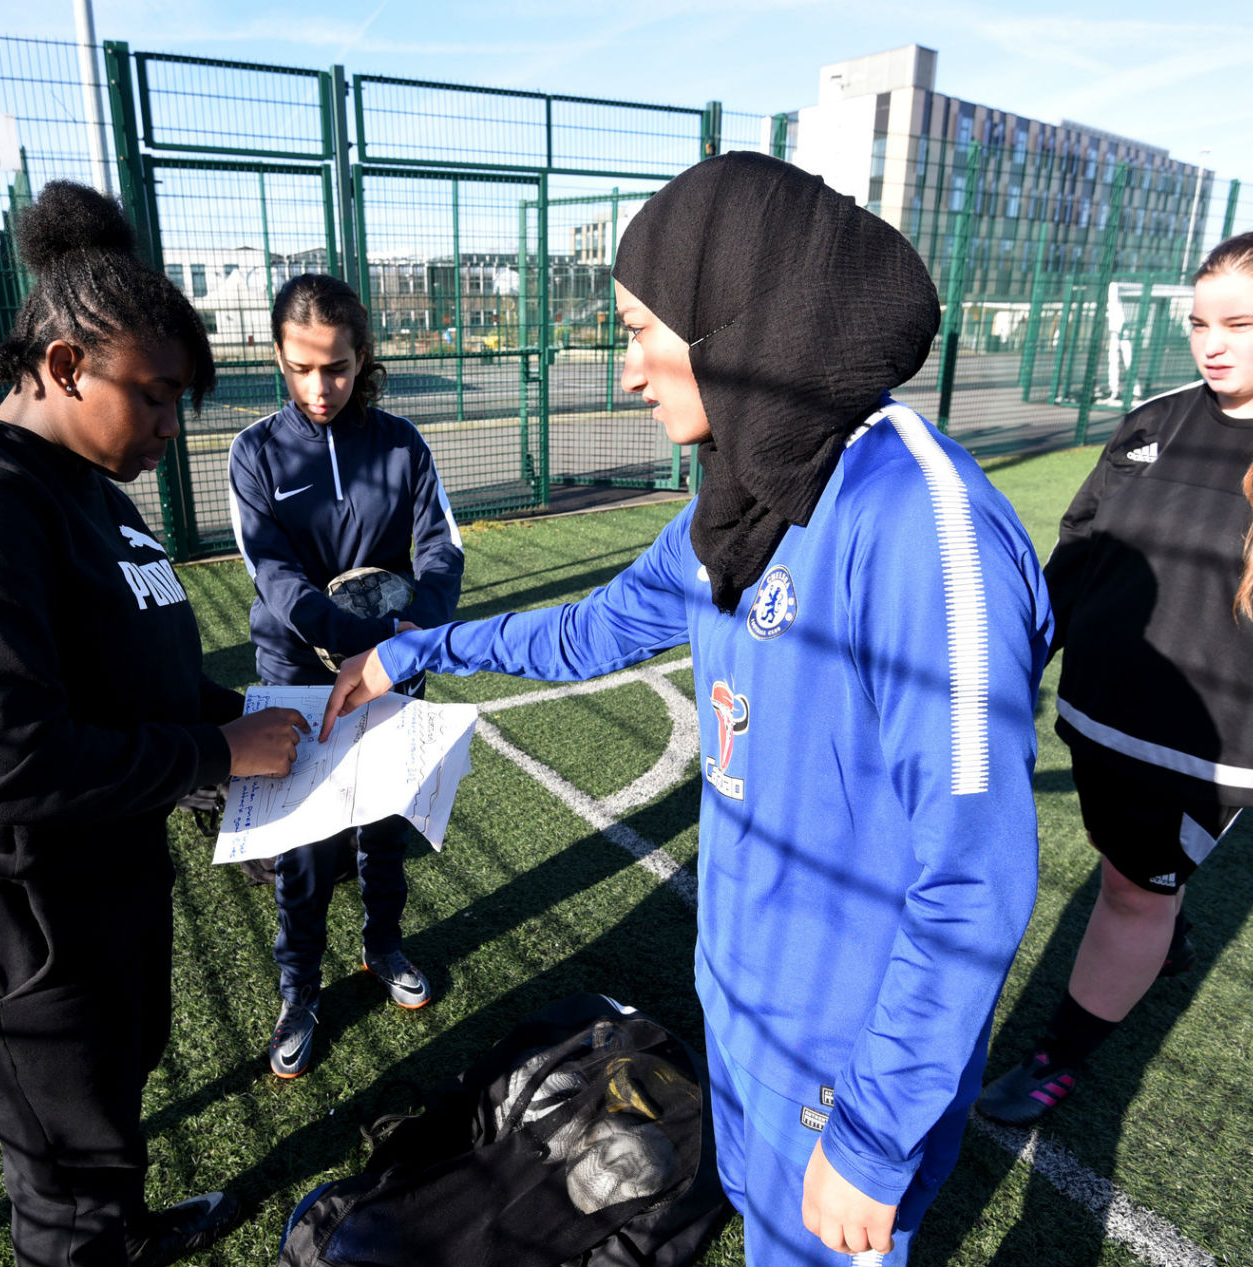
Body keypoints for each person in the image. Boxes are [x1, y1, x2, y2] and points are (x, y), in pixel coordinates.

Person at [321, 152, 1054, 1264]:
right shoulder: (742, 501)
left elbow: (972, 878)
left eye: (634, 328)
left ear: (731, 322)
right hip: (743, 1011)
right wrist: (414, 647)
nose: (626, 371)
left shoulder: (920, 528)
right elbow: (584, 630)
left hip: (845, 1060)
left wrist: (870, 1131)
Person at [0, 180, 311, 1267]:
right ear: (63, 366)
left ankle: (126, 1230)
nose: (168, 426)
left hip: (97, 878)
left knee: (105, 1111)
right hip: (0, 908)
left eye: (177, 404)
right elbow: (2, 766)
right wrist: (213, 753)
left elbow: (125, 677)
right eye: (153, 397)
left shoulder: (91, 485)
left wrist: (255, 723)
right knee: (65, 1172)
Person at [977, 227, 1253, 1124]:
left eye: (1240, 322)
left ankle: (1062, 1052)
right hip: (1096, 706)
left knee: (1130, 891)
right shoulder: (1157, 421)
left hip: (1209, 744)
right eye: (1198, 324)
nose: (1213, 344)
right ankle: (1161, 918)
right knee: (1127, 867)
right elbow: (1079, 553)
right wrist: (1020, 657)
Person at [226, 272, 464, 1079]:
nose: (319, 387)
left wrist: (410, 631)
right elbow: (277, 579)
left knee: (383, 823)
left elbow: (442, 551)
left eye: (335, 366)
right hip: (298, 670)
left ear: (362, 356)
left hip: (394, 662)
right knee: (303, 842)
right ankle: (298, 987)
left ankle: (383, 945)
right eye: (300, 368)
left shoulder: (403, 445)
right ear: (280, 360)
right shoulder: (254, 452)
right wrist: (356, 639)